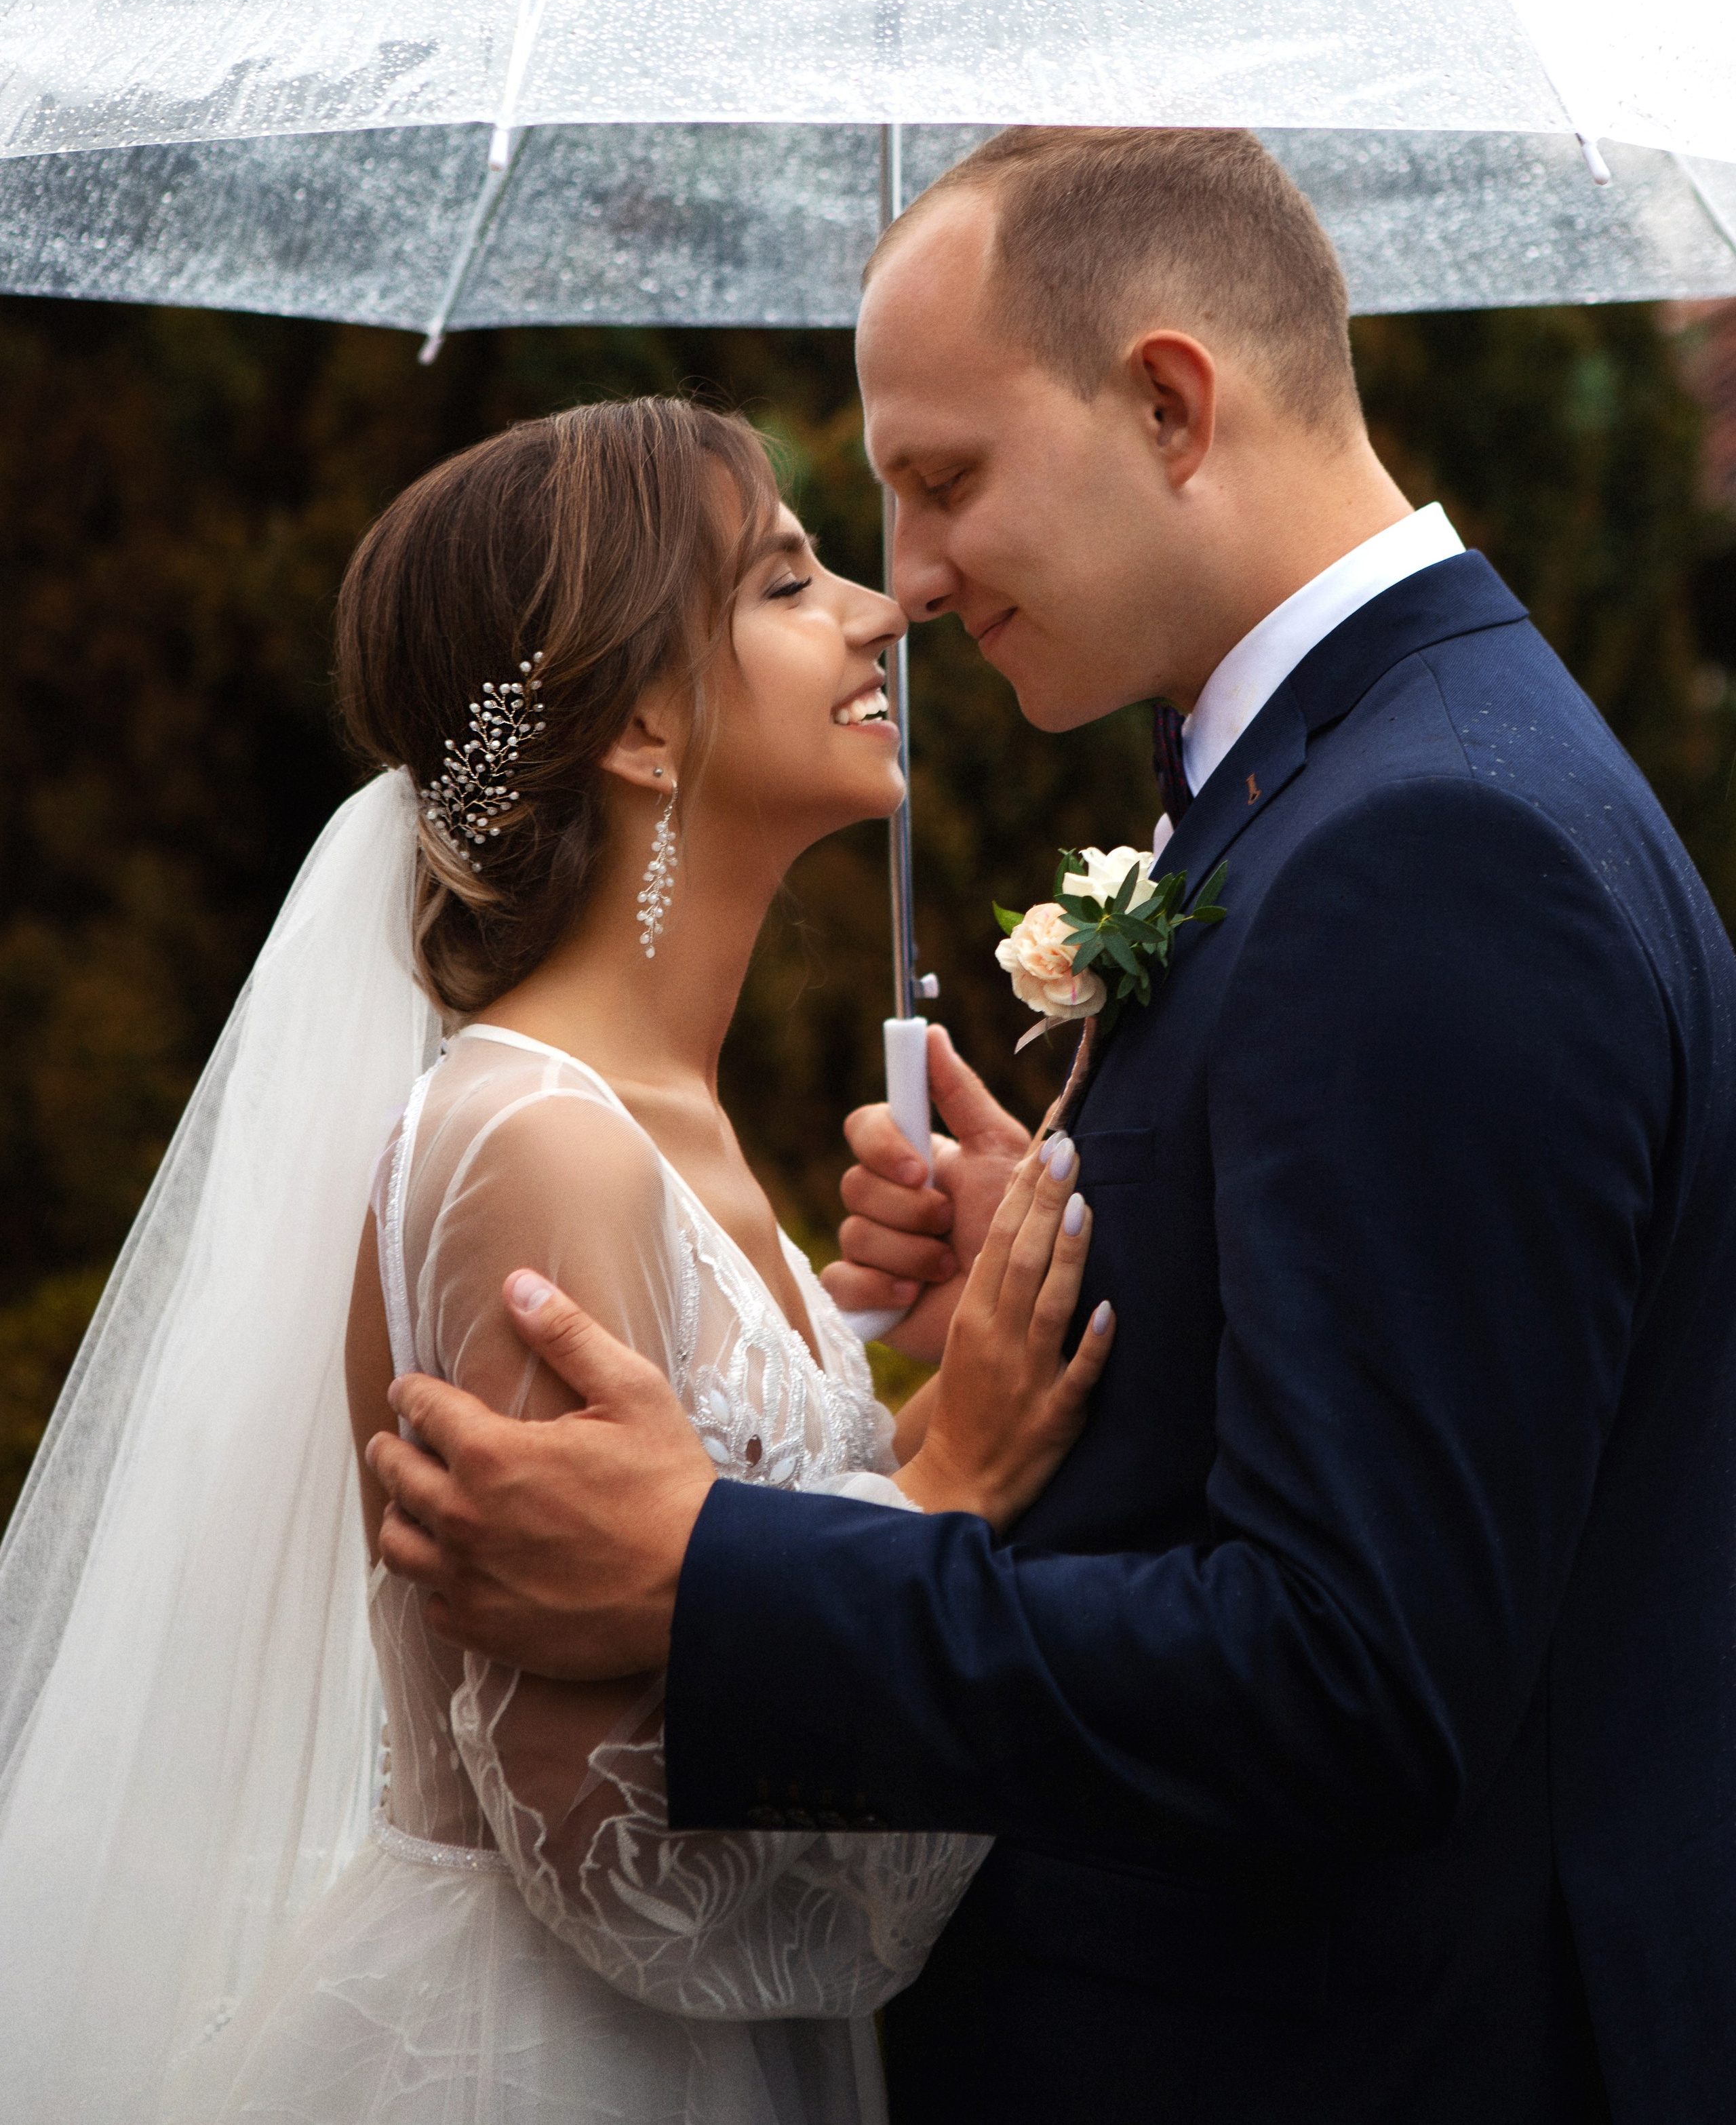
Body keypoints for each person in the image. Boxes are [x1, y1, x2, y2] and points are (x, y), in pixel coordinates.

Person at [371, 130, 1736, 2124]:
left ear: (1172, 403)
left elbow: (1355, 1677)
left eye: (941, 481)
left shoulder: (1428, 846)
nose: (905, 580)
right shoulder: (1390, 769)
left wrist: (708, 1566)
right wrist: (1126, 1241)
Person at [0, 395, 1111, 2125]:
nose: (878, 607)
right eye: (781, 581)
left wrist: (903, 1405)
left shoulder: (673, 1123)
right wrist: (956, 1477)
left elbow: (705, 1573)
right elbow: (604, 1855)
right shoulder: (536, 1142)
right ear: (645, 729)